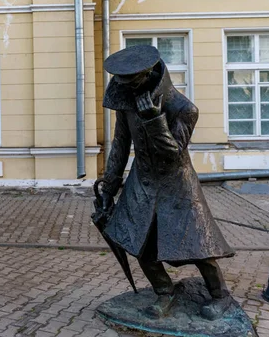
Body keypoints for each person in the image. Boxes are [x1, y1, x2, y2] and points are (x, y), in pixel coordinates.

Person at [100, 44, 235, 319]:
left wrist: (153, 119)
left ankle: (220, 295)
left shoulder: (184, 109)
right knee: (137, 241)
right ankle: (164, 291)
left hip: (178, 183)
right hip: (143, 181)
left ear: (149, 74)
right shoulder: (126, 104)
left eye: (132, 81)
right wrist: (109, 187)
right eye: (122, 82)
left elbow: (173, 153)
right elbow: (120, 145)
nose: (127, 87)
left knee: (198, 245)